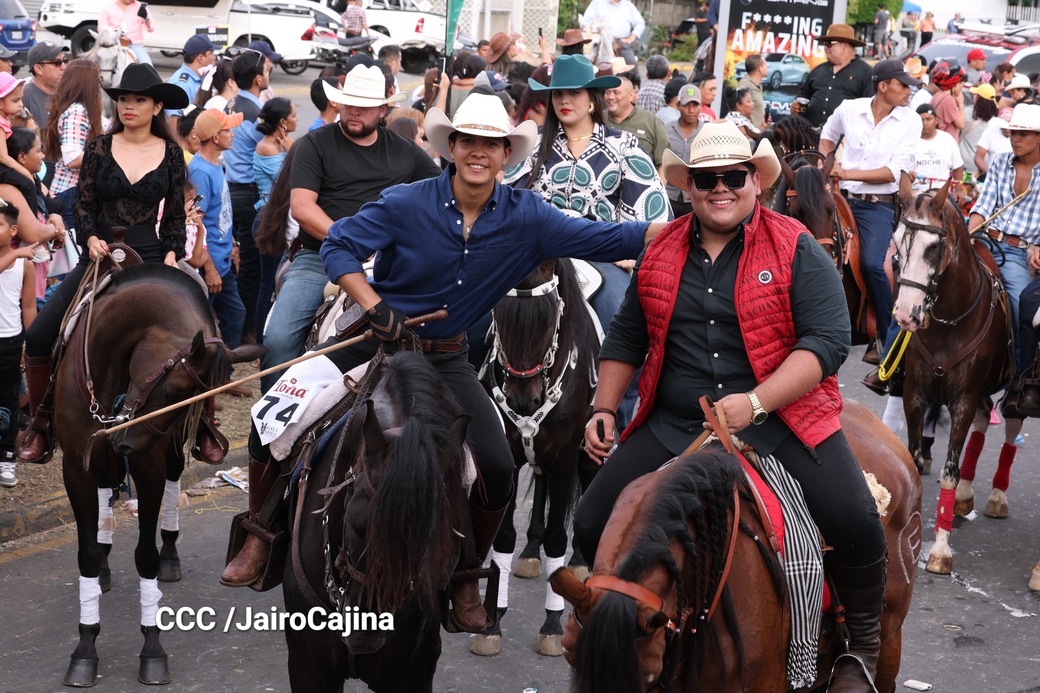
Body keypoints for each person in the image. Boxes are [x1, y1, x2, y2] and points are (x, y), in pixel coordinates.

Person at [222, 92, 665, 632]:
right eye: (468, 141)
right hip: (372, 341)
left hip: (445, 358)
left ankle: (465, 576)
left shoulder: (529, 218)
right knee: (272, 415)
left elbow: (613, 235)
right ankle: (260, 534)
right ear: (451, 146)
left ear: (506, 154)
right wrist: (375, 306)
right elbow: (338, 246)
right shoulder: (404, 202)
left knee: (497, 467)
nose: (478, 152)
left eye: (491, 144)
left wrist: (693, 222)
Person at [575, 119, 885, 693]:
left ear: (755, 181)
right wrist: (603, 408)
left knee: (856, 518)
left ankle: (860, 647)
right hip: (676, 423)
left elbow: (827, 342)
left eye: (733, 177)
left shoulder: (795, 245)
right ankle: (634, 633)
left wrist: (757, 403)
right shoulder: (660, 248)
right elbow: (626, 337)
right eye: (706, 179)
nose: (721, 188)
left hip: (782, 419)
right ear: (688, 186)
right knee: (592, 520)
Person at [17, 63, 201, 465]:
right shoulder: (99, 148)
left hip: (152, 257)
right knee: (41, 334)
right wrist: (90, 238)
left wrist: (173, 254)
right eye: (123, 99)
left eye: (139, 100)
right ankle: (42, 423)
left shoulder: (172, 153)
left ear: (157, 107)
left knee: (203, 332)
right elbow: (83, 205)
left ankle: (203, 425)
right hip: (99, 256)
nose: (128, 106)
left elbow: (174, 215)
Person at [504, 54, 670, 426]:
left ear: (592, 98)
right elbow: (506, 202)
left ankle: (618, 421)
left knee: (623, 320)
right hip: (537, 257)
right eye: (557, 93)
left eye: (574, 93)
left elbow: (653, 211)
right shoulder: (532, 146)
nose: (565, 100)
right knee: (484, 317)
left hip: (600, 253)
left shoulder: (624, 146)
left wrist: (630, 251)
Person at [255, 65, 437, 394]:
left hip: (387, 261)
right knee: (278, 341)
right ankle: (271, 416)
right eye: (349, 103)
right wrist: (349, 241)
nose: (354, 110)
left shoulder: (405, 151)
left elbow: (442, 191)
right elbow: (303, 208)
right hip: (319, 257)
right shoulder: (314, 144)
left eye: (364, 105)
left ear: (383, 110)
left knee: (442, 332)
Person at [820, 59, 922, 394]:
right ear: (883, 86)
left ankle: (884, 336)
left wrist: (844, 172)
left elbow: (894, 171)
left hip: (878, 206)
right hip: (840, 197)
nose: (908, 91)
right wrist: (826, 166)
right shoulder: (849, 109)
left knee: (872, 264)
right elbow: (827, 136)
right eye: (903, 85)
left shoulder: (911, 120)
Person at [963, 104, 1040, 506]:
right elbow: (983, 205)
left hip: (1021, 254)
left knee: (1023, 306)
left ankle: (1018, 384)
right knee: (934, 284)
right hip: (986, 240)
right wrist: (969, 230)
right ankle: (899, 364)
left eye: (1024, 133)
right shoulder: (998, 162)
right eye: (1013, 133)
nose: (1016, 139)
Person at [223, 50, 273, 345]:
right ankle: (244, 332)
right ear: (257, 78)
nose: (269, 75)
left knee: (244, 264)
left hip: (234, 189)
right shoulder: (255, 114)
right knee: (252, 268)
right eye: (266, 70)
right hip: (250, 194)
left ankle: (241, 329)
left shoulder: (232, 103)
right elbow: (274, 147)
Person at [190, 109, 247, 355]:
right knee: (200, 325)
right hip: (209, 264)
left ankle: (223, 370)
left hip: (223, 259)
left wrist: (233, 244)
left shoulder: (216, 165)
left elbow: (220, 211)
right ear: (215, 137)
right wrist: (210, 268)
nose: (232, 135)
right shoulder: (200, 171)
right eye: (228, 130)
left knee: (235, 315)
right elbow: (196, 223)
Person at [253, 97, 297, 339]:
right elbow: (289, 179)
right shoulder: (267, 147)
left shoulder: (278, 145)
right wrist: (292, 150)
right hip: (270, 221)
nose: (297, 119)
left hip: (279, 218)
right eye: (293, 115)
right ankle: (262, 338)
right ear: (282, 122)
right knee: (269, 284)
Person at [44, 59, 105, 232]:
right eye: (98, 79)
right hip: (71, 192)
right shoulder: (77, 112)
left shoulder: (80, 110)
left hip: (76, 192)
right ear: (88, 83)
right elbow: (72, 158)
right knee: (77, 247)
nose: (100, 85)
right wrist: (109, 155)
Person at [0, 201, 35, 488]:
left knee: (9, 400)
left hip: (10, 342)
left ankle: (7, 457)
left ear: (13, 230)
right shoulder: (19, 255)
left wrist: (30, 346)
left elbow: (29, 307)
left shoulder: (25, 265)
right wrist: (17, 252)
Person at [794, 24, 872, 128]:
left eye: (829, 43)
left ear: (844, 46)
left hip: (844, 135)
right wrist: (796, 104)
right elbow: (803, 95)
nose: (825, 48)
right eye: (824, 44)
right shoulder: (818, 70)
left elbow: (870, 108)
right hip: (810, 132)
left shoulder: (865, 72)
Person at [605, 70, 668, 177]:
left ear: (630, 96)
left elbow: (663, 163)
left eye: (616, 92)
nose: (611, 97)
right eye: (607, 92)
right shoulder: (597, 120)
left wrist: (659, 186)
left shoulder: (651, 122)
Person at [664, 84, 702, 217]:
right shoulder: (665, 129)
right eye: (686, 105)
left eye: (695, 105)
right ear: (678, 105)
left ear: (701, 106)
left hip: (695, 197)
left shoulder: (706, 132)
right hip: (668, 195)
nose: (691, 110)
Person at [166, 34, 219, 128]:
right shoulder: (182, 85)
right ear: (200, 58)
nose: (213, 57)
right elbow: (174, 122)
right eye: (211, 54)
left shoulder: (199, 78)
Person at [21, 42, 68, 146]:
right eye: (57, 63)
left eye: (65, 61)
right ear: (38, 69)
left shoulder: (70, 93)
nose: (64, 67)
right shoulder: (24, 97)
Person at [911, 104, 964, 193]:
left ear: (936, 120)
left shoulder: (947, 139)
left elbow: (957, 167)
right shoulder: (910, 141)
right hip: (916, 195)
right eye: (921, 120)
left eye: (928, 119)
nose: (925, 123)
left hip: (941, 195)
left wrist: (959, 191)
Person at [580, 0, 645, 66]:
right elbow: (586, 22)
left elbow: (640, 23)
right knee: (583, 62)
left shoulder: (628, 6)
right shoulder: (597, 2)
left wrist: (632, 36)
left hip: (620, 42)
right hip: (599, 41)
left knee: (632, 66)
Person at [0, 73, 34, 182]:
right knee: (27, 184)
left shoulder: (5, 120)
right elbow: (3, 157)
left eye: (21, 99)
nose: (21, 104)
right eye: (15, 100)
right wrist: (25, 172)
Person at [99, 0, 153, 66]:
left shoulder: (141, 7)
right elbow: (101, 28)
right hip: (113, 45)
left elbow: (151, 28)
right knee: (99, 64)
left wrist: (146, 18)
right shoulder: (108, 7)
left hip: (135, 46)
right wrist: (113, 33)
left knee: (148, 66)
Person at [961, 84, 1000, 175]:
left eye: (975, 95)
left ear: (978, 98)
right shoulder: (995, 120)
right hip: (983, 165)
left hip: (964, 162)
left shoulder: (966, 113)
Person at [930, 60, 966, 138]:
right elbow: (961, 124)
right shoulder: (948, 100)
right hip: (946, 142)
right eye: (961, 85)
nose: (961, 89)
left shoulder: (937, 95)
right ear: (955, 83)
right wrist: (961, 104)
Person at [975, 107, 1013, 176]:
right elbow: (978, 157)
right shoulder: (990, 131)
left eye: (1009, 126)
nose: (1006, 129)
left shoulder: (1021, 135)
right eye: (1003, 126)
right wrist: (990, 174)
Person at [737, 54, 767, 130]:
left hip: (758, 132)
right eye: (765, 65)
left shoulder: (758, 85)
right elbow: (738, 109)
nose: (767, 68)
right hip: (748, 133)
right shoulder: (744, 84)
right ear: (760, 68)